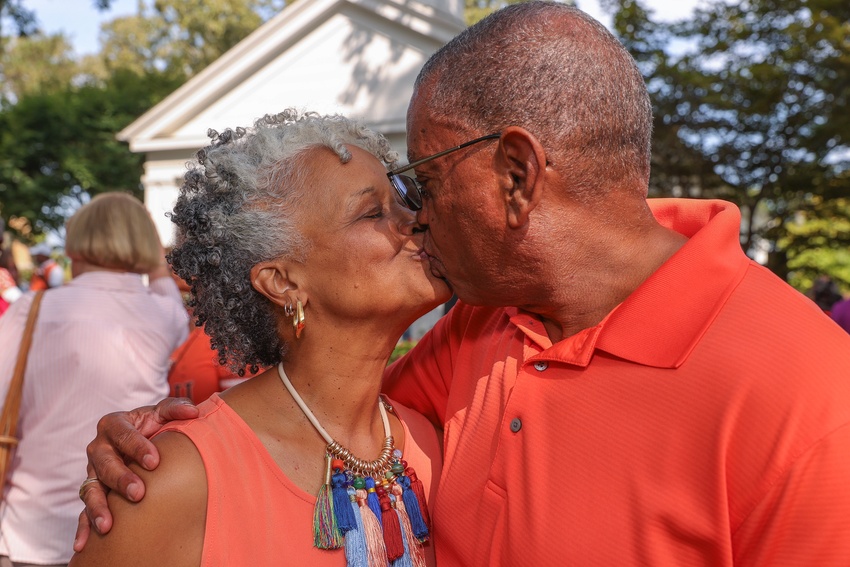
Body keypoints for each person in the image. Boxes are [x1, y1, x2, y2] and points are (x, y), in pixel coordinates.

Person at [76, 2, 850, 565]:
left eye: (425, 181)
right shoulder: (480, 328)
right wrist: (158, 436)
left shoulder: (808, 396)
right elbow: (324, 412)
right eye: (383, 204)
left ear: (517, 175)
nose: (419, 217)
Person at [69, 110, 445, 566]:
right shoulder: (176, 479)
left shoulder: (430, 439)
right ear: (282, 282)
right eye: (373, 212)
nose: (418, 218)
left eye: (405, 198)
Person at [0, 192, 188, 567]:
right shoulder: (164, 313)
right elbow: (162, 280)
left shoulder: (33, 309)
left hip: (32, 525)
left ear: (75, 242)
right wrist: (150, 250)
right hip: (122, 519)